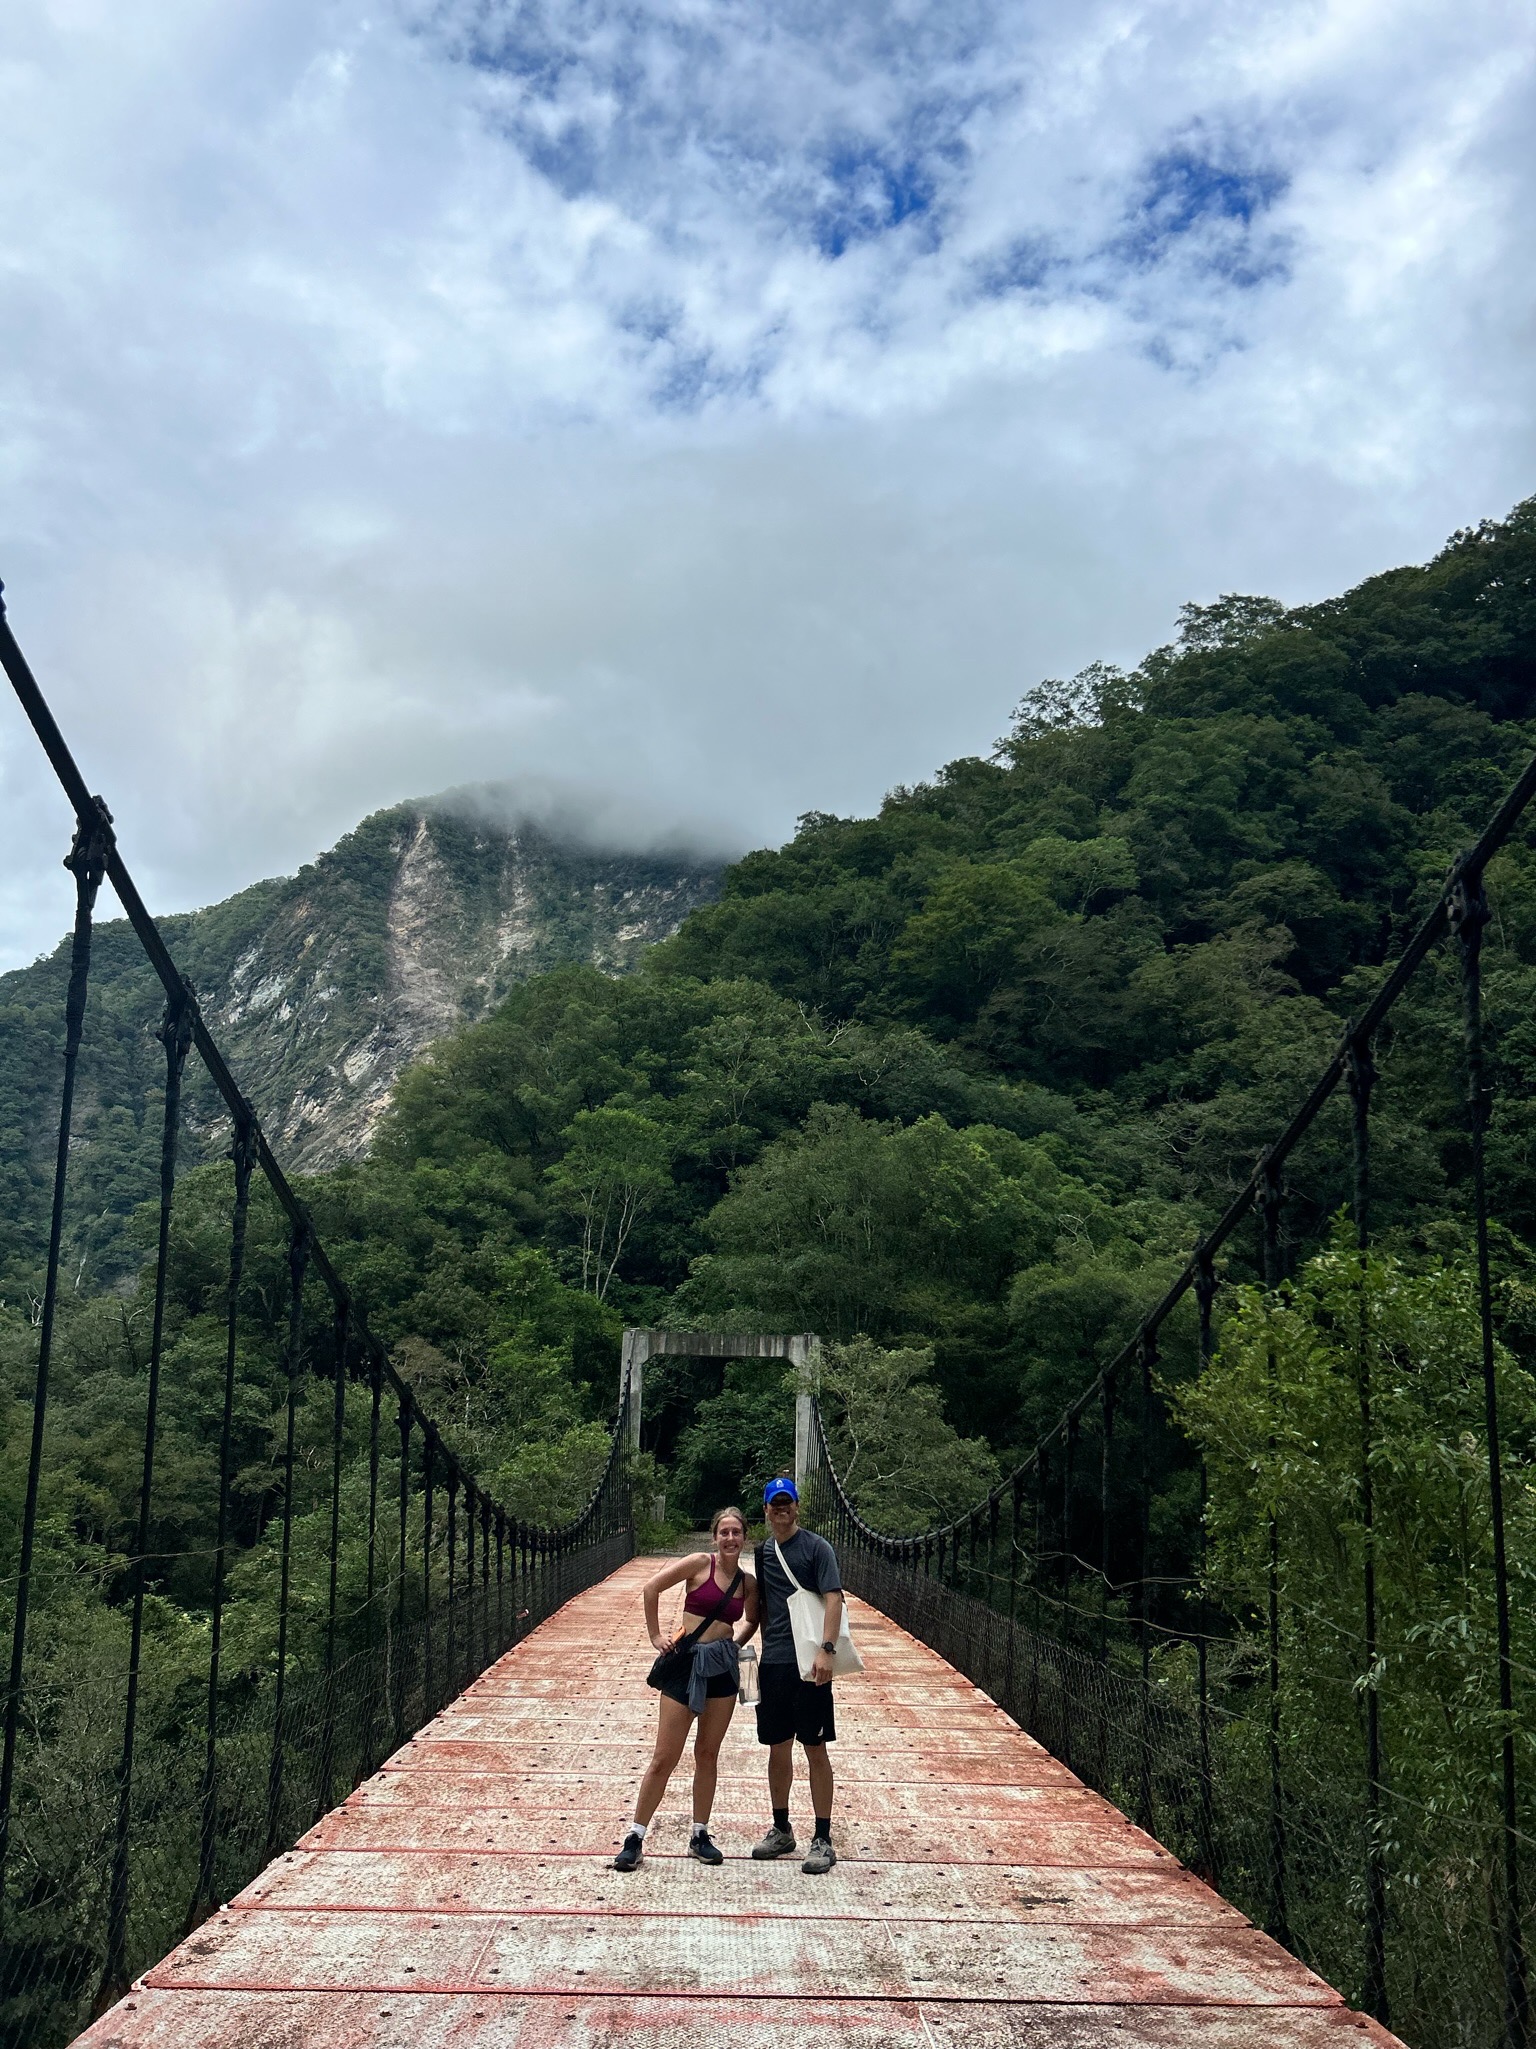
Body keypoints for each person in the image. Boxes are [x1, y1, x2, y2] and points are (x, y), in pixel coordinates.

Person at [613, 1506, 759, 1872]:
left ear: (744, 1537)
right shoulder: (698, 1563)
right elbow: (651, 1588)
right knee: (665, 1757)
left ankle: (699, 1834)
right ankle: (635, 1837)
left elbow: (754, 1619)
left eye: (736, 1533)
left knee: (707, 1754)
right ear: (715, 1536)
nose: (729, 1539)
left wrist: (734, 1645)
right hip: (686, 1665)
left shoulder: (747, 1583)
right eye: (723, 1532)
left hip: (722, 1672)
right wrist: (655, 1635)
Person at [745, 1476, 843, 1875]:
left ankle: (823, 1837)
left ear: (796, 1507)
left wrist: (827, 1650)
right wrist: (737, 1647)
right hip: (773, 1664)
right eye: (775, 1504)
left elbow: (834, 1598)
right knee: (777, 1747)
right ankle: (782, 1828)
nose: (782, 1509)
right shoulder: (763, 1551)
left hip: (810, 1664)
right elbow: (760, 1609)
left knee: (815, 1748)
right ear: (766, 1510)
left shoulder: (818, 1548)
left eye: (787, 1502)